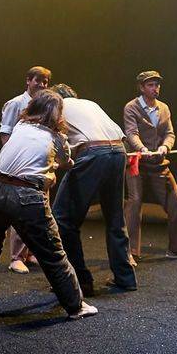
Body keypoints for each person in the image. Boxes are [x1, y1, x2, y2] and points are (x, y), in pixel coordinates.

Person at [0, 89, 97, 319]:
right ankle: (76, 307)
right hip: (26, 196)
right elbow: (66, 162)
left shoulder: (20, 126)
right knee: (53, 255)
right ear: (57, 114)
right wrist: (58, 163)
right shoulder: (57, 138)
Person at [50, 84, 137, 296]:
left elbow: (57, 142)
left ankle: (80, 281)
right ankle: (125, 279)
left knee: (63, 219)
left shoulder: (58, 107)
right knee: (115, 218)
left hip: (93, 152)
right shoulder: (91, 104)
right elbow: (122, 136)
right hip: (118, 151)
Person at [123, 70, 177, 260]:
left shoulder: (164, 108)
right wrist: (142, 149)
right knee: (135, 202)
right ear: (142, 88)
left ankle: (176, 249)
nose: (155, 88)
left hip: (158, 162)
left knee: (176, 202)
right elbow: (131, 133)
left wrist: (165, 146)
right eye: (151, 85)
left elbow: (170, 133)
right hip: (137, 163)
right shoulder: (131, 107)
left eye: (157, 84)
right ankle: (130, 252)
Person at [0, 66, 51, 274]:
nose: (42, 85)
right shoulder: (16, 104)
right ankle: (16, 257)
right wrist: (13, 161)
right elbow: (5, 133)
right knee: (20, 210)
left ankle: (30, 252)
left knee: (38, 209)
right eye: (38, 80)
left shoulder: (44, 106)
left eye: (45, 82)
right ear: (28, 80)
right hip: (19, 164)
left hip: (37, 164)